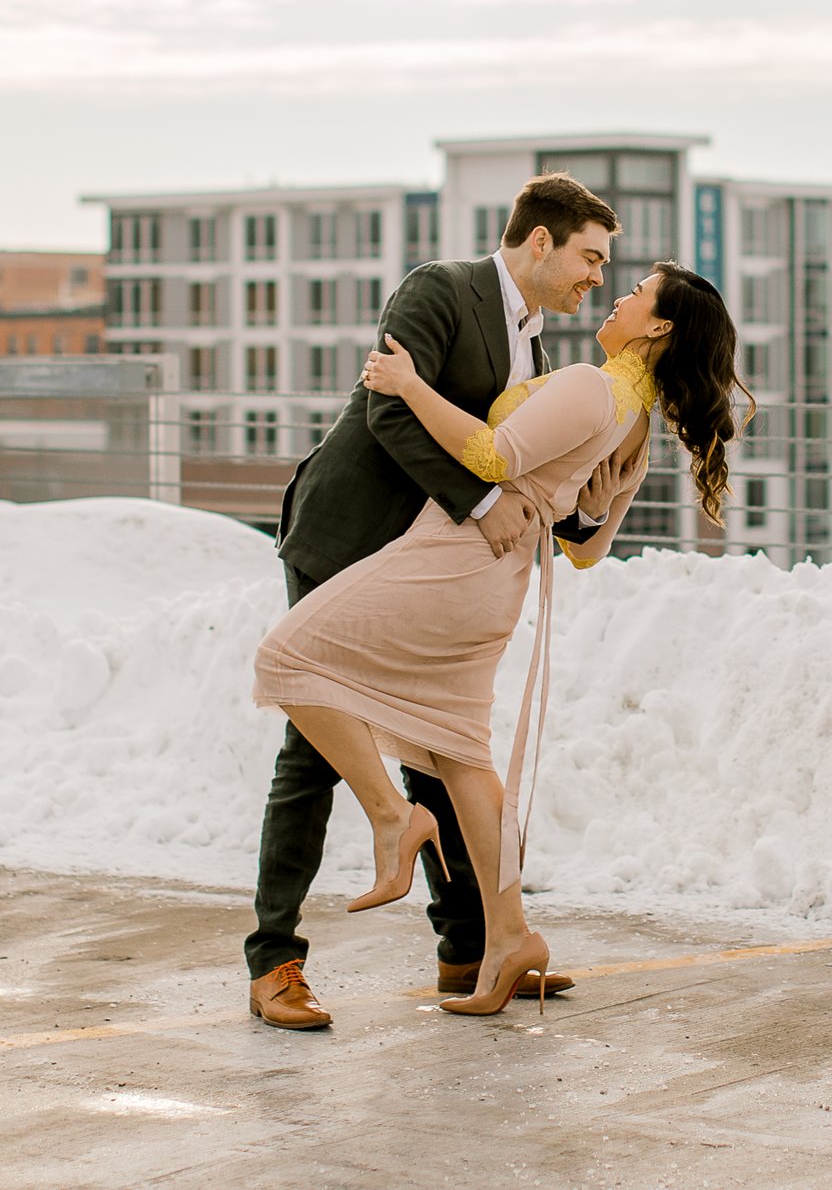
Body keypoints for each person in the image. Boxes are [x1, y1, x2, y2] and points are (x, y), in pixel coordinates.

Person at [252, 255, 746, 1013]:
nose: (613, 292)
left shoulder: (588, 382)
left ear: (659, 326)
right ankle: (506, 936)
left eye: (635, 291)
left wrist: (410, 385)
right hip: (503, 577)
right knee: (459, 750)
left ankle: (392, 816)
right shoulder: (637, 423)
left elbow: (490, 457)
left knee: (287, 657)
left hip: (458, 557)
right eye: (601, 265)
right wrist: (562, 504)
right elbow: (586, 546)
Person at [242, 172, 620, 1030]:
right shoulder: (441, 289)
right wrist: (484, 506)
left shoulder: (542, 354)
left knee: (439, 748)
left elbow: (514, 457)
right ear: (539, 241)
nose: (595, 276)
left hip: (423, 565)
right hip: (348, 538)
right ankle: (274, 963)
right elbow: (391, 412)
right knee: (312, 750)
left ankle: (467, 946)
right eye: (589, 257)